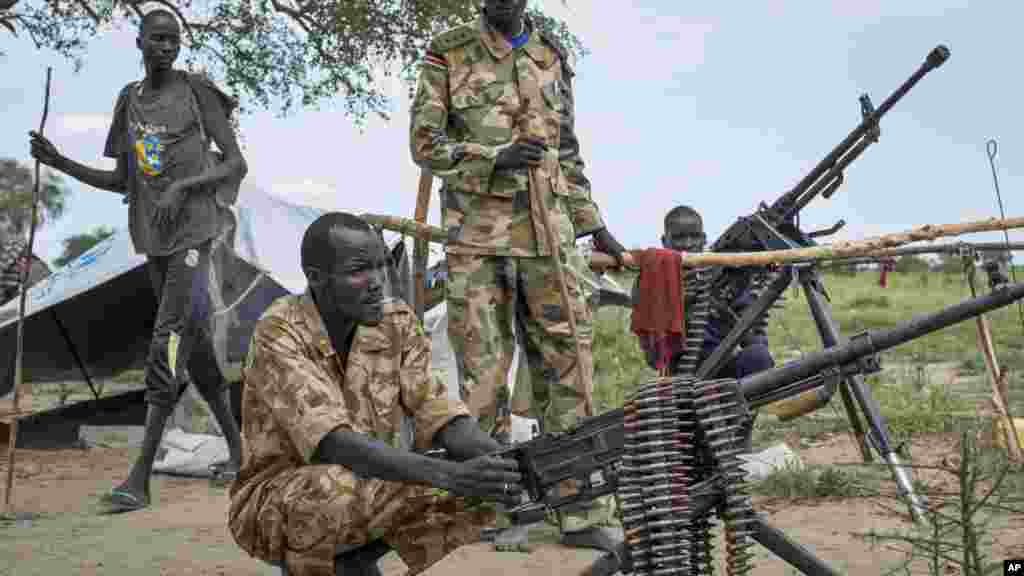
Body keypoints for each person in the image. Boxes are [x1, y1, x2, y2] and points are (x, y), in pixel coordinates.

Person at [409, 0, 626, 551]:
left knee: (568, 373)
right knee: (483, 377)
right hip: (477, 241)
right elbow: (424, 144)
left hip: (549, 242)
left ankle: (577, 509)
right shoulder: (448, 52)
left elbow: (567, 154)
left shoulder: (551, 56)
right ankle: (499, 507)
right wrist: (494, 157)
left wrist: (592, 224)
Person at [28, 8, 246, 511]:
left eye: (173, 40)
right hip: (153, 240)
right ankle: (240, 453)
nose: (166, 47)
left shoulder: (198, 94)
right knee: (194, 351)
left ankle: (139, 479)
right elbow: (121, 181)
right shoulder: (129, 101)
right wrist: (58, 161)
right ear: (140, 42)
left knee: (166, 341)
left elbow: (236, 162)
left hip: (195, 234)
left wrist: (183, 187)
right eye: (157, 39)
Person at [228, 212, 522, 576]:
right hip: (275, 500)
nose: (377, 282)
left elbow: (438, 410)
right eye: (358, 271)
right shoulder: (280, 330)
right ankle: (321, 566)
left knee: (475, 485)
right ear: (316, 278)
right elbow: (333, 443)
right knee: (340, 485)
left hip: (367, 481)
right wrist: (449, 475)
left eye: (381, 266)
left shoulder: (395, 323)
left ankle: (355, 564)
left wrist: (507, 462)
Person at [633, 205, 776, 379]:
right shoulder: (651, 281)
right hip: (681, 376)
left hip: (722, 365)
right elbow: (653, 359)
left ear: (703, 239)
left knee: (758, 356)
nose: (687, 244)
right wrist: (681, 306)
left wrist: (729, 314)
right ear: (664, 241)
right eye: (679, 238)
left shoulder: (721, 273)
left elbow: (753, 334)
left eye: (694, 236)